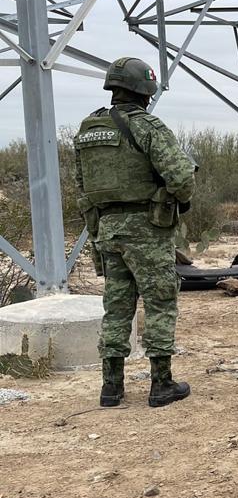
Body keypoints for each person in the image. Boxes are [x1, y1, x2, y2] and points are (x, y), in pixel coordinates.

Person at [73, 57, 195, 408]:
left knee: (116, 305)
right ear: (144, 90)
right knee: (159, 301)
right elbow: (181, 178)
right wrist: (177, 200)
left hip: (107, 229)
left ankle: (111, 388)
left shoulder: (87, 130)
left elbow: (82, 185)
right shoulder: (146, 126)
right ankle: (161, 385)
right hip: (147, 228)